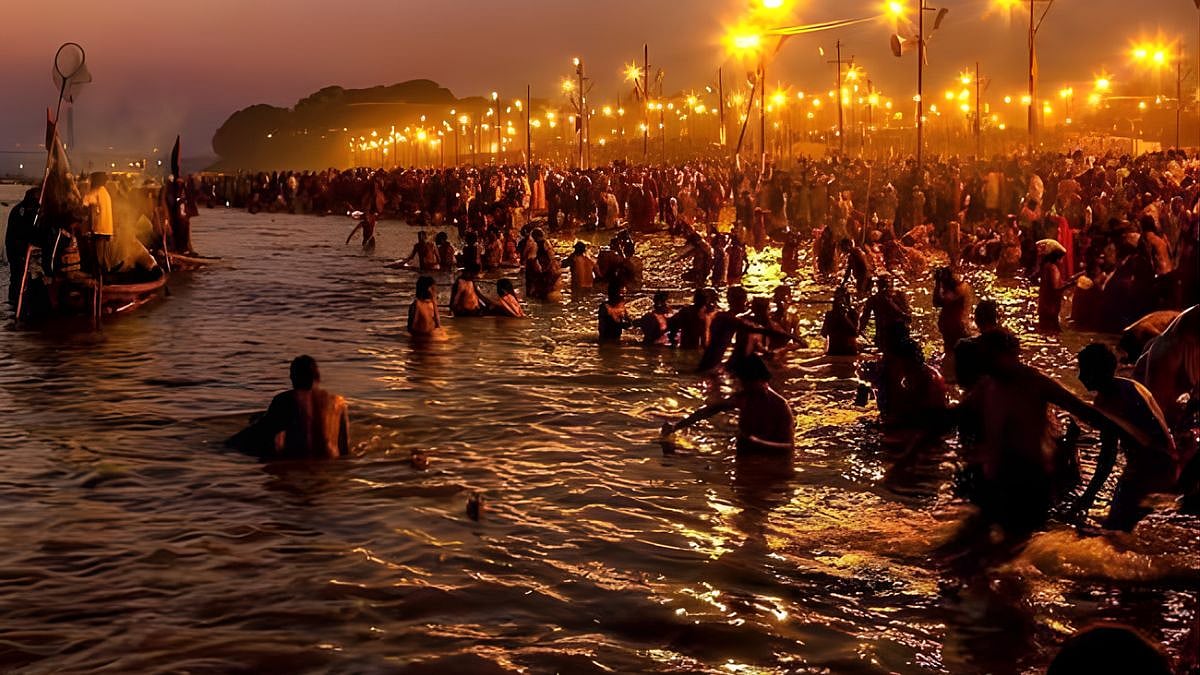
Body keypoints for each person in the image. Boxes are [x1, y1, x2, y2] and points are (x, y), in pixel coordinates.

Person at [1072, 343, 1179, 531]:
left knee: (1114, 533)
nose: (1080, 376)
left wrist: (1088, 495)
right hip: (1168, 464)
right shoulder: (1132, 386)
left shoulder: (1108, 401)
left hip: (1145, 470)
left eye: (1084, 370)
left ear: (1097, 372)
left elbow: (1108, 455)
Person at [662, 354, 794, 453]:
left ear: (762, 380)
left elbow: (788, 447)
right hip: (745, 456)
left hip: (769, 462)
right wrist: (676, 426)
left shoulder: (780, 406)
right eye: (743, 382)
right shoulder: (744, 397)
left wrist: (756, 442)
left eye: (747, 382)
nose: (744, 386)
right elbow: (708, 411)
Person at [227, 355, 350, 459]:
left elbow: (260, 432)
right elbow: (345, 448)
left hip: (296, 462)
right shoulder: (339, 403)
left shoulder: (286, 399)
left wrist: (225, 444)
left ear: (293, 377)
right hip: (330, 463)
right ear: (318, 377)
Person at [858, 275, 911, 349]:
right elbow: (897, 311)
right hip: (888, 331)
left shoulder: (875, 299)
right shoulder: (884, 299)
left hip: (886, 331)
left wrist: (860, 328)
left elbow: (865, 317)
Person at [6, 188, 39, 306]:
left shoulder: (25, 209)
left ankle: (17, 301)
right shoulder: (21, 211)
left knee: (20, 277)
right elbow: (24, 232)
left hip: (17, 249)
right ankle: (14, 302)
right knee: (17, 277)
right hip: (16, 250)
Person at [82, 171, 114, 274]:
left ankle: (100, 279)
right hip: (107, 229)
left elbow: (84, 202)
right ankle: (106, 275)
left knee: (98, 257)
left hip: (99, 229)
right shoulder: (105, 192)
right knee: (104, 256)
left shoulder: (96, 191)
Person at [821, 286, 860, 357]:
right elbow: (855, 333)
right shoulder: (853, 313)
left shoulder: (830, 315)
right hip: (847, 351)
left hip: (835, 351)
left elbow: (824, 333)